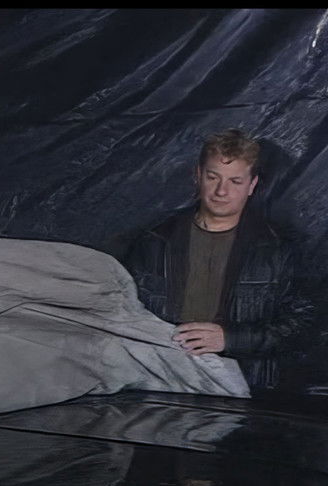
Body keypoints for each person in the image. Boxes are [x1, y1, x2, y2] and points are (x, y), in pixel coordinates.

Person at [115, 129, 311, 391]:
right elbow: (122, 311)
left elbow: (302, 325)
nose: (221, 191)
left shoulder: (279, 249)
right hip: (159, 378)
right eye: (213, 177)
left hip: (245, 385)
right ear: (197, 176)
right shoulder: (153, 241)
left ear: (252, 185)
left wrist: (230, 339)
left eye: (235, 181)